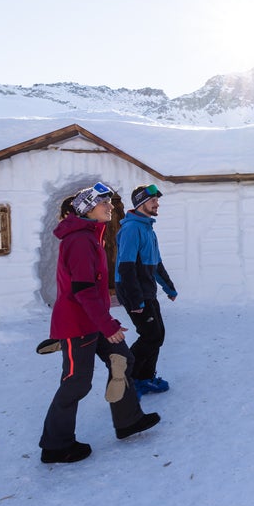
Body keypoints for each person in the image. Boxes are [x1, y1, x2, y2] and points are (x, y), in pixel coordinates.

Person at [39, 182, 161, 463]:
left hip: (93, 320)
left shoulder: (91, 236)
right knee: (76, 382)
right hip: (77, 324)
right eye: (103, 203)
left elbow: (91, 290)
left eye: (109, 202)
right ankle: (55, 445)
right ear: (87, 209)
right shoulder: (80, 241)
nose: (110, 207)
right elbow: (83, 291)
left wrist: (106, 321)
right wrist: (108, 325)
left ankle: (128, 420)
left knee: (123, 359)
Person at [115, 184, 178, 395]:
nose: (157, 204)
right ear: (141, 203)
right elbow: (126, 267)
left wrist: (169, 288)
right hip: (133, 291)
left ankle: (145, 378)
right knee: (150, 336)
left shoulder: (148, 229)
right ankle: (126, 380)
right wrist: (135, 300)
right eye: (153, 200)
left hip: (146, 289)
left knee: (157, 335)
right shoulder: (131, 229)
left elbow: (156, 264)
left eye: (157, 200)